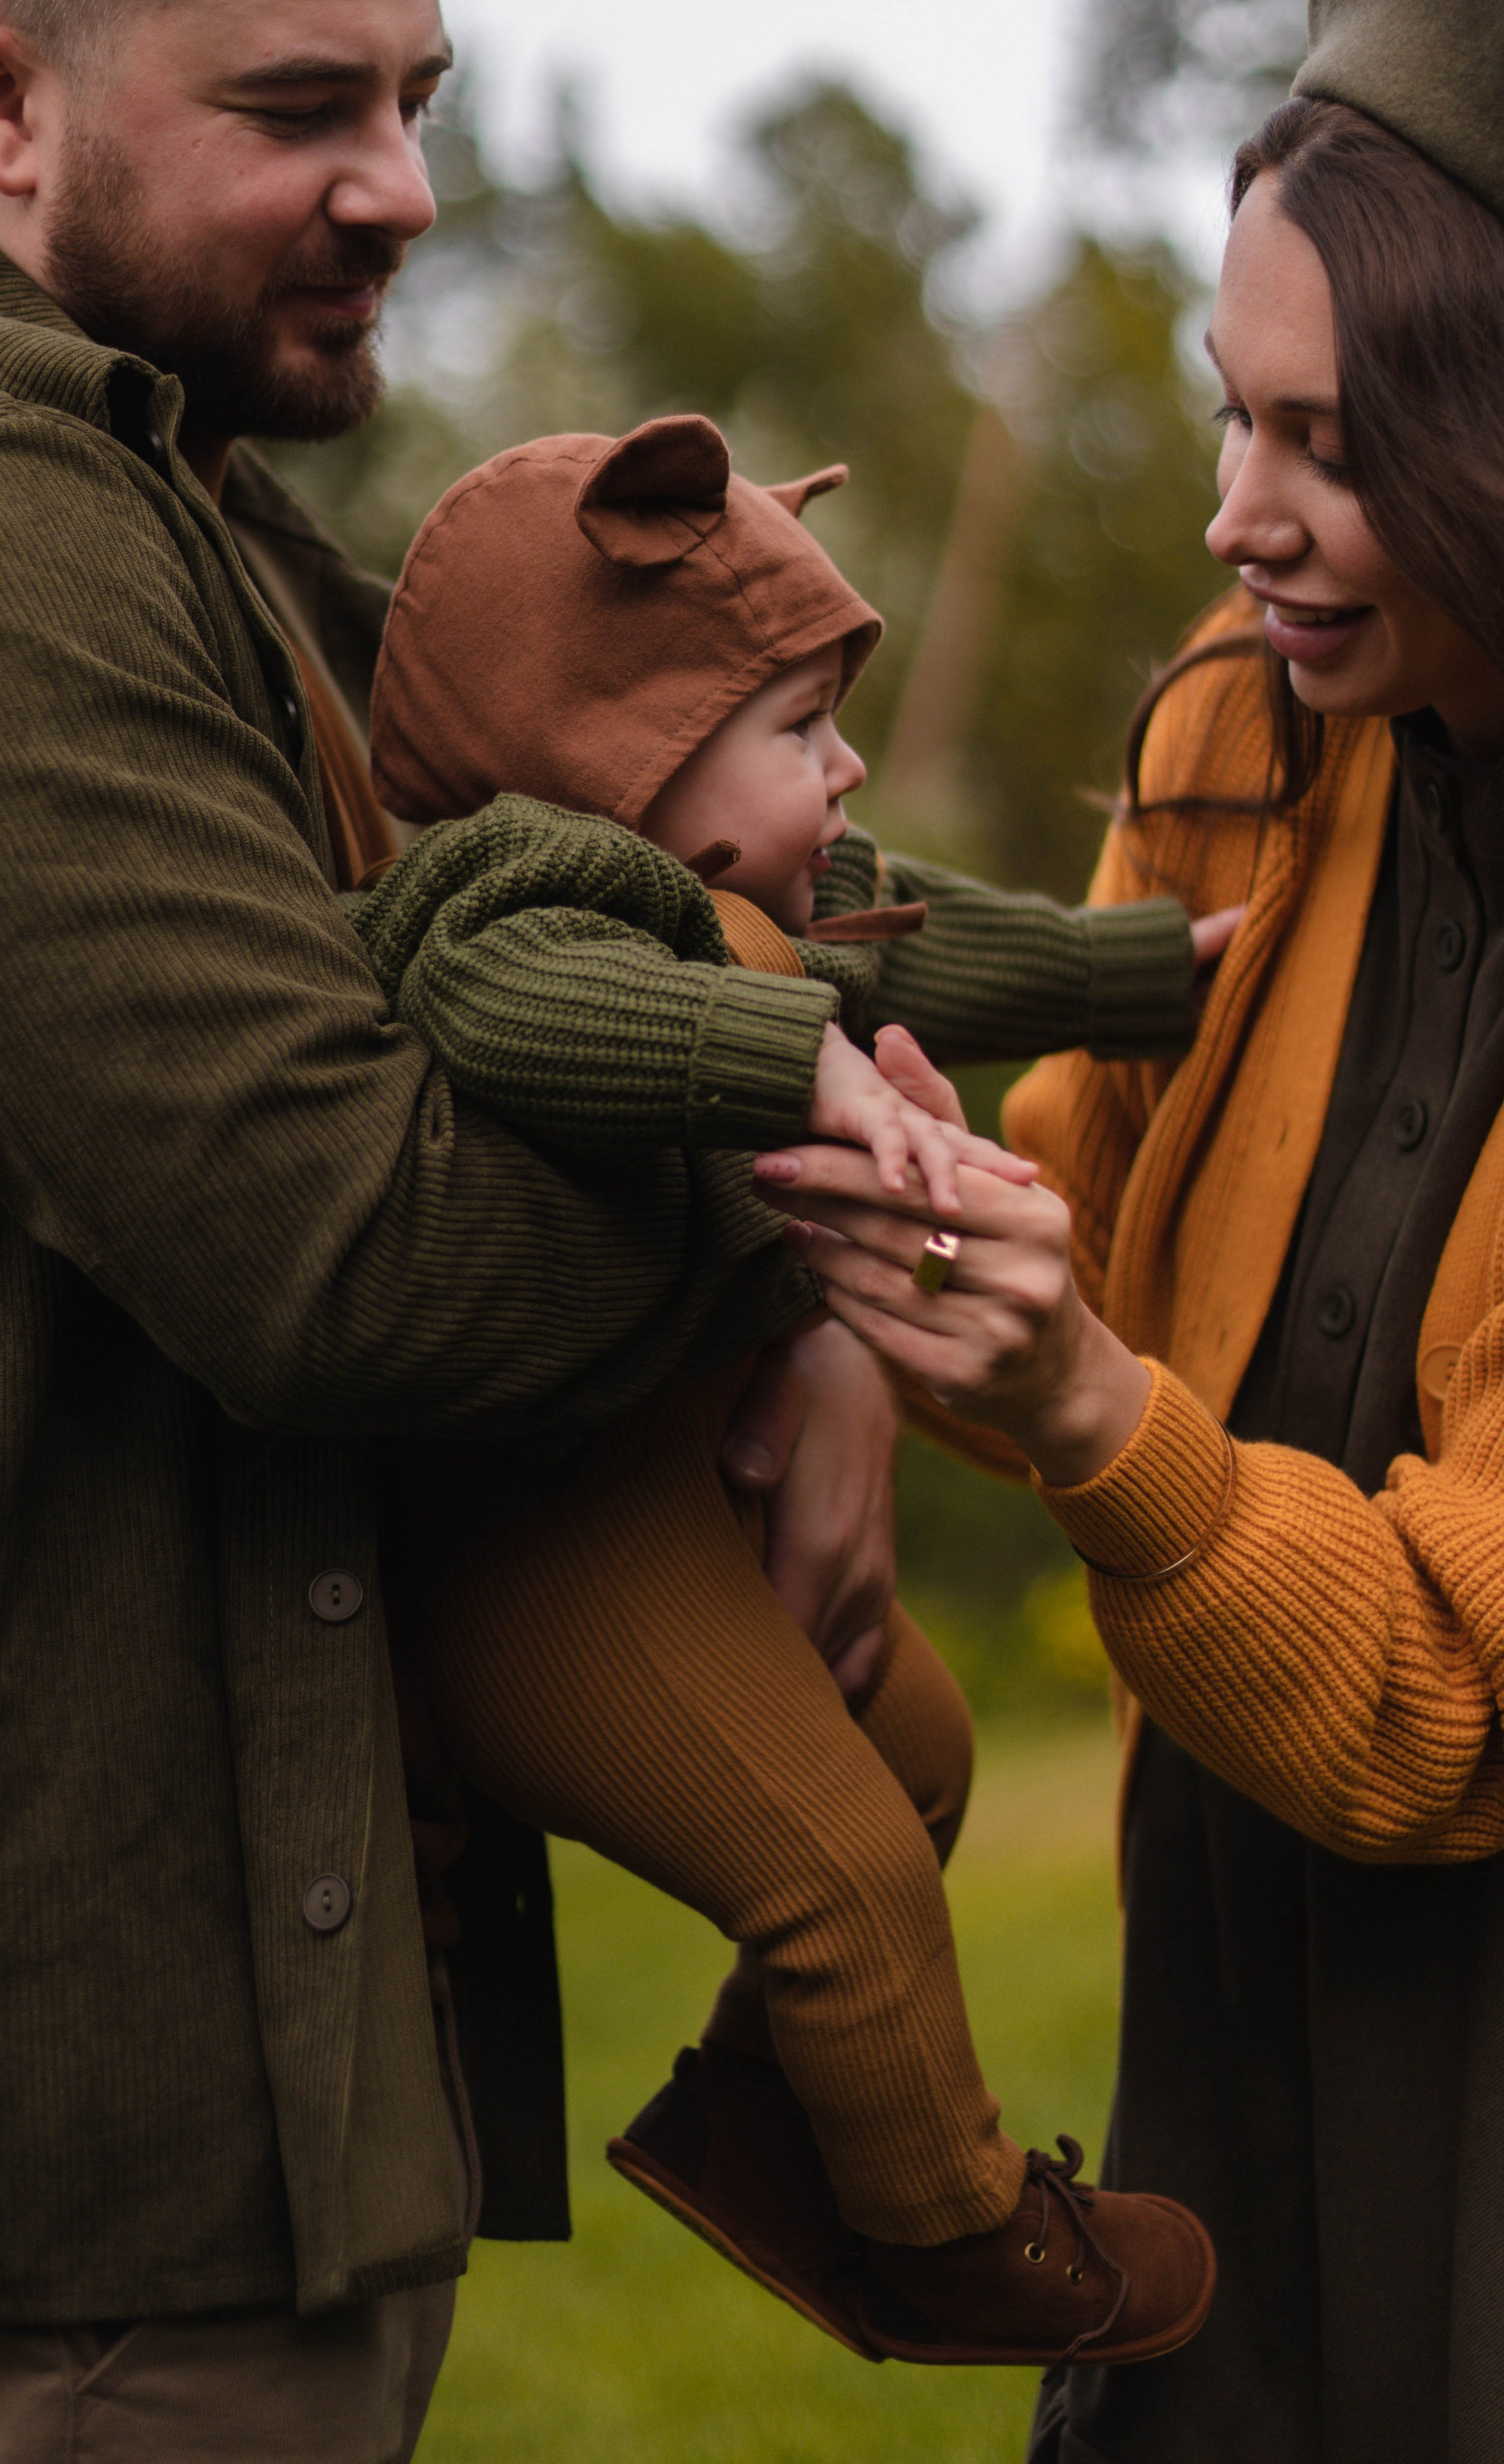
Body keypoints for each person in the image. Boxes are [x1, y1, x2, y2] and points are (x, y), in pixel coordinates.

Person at [0, 1, 947, 2453]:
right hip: (104, 2227)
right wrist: (794, 1234)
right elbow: (355, 1252)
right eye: (297, 108)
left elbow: (634, 910)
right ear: (11, 110)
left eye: (417, 100)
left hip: (239, 2134)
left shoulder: (174, 501)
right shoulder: (24, 534)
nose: (404, 186)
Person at [748, 4, 1504, 2457]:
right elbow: (1081, 1174)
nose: (1239, 514)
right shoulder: (1239, 748)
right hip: (1221, 1986)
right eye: (1235, 409)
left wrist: (1077, 1409)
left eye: (1334, 448)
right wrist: (850, 1322)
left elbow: (1450, 1695)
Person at [351, 410, 1218, 2368]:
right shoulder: (512, 884)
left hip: (684, 1503)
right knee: (839, 1878)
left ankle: (770, 2121)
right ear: (617, 747)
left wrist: (1146, 967)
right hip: (546, 1545)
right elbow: (526, 1008)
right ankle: (950, 2234)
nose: (841, 768)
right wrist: (795, 1062)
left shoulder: (760, 887)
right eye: (796, 725)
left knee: (918, 1759)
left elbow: (936, 945)